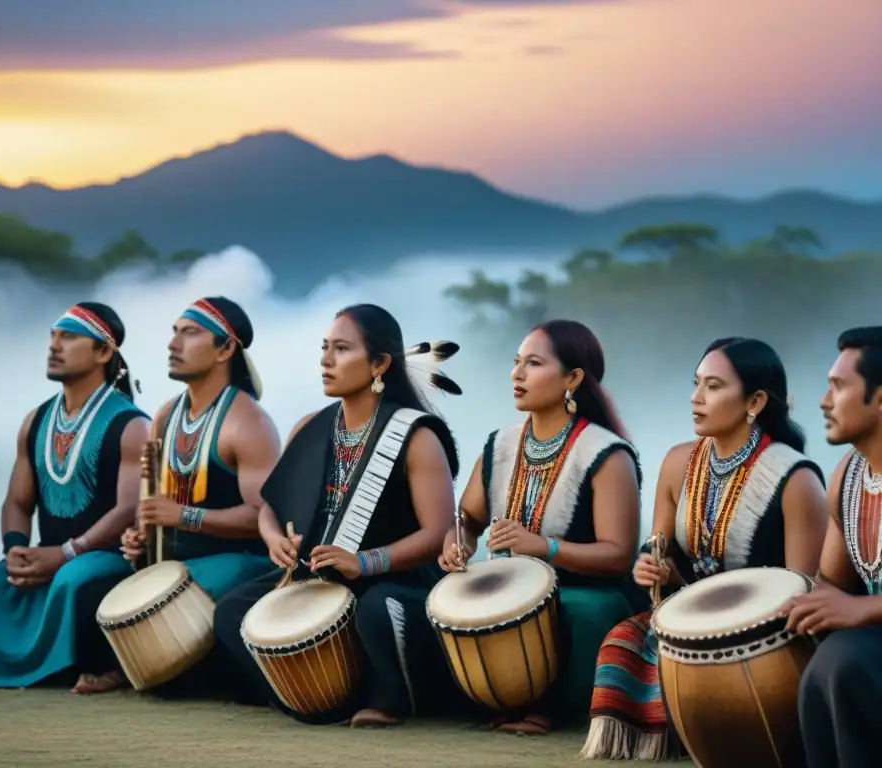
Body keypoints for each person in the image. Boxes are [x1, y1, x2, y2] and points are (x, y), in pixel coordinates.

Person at [212, 304, 463, 728]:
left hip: (395, 582)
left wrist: (365, 561)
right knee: (234, 609)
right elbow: (270, 509)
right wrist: (275, 539)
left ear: (380, 363)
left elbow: (438, 532)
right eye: (324, 347)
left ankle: (391, 699)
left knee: (377, 608)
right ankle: (313, 696)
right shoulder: (310, 427)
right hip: (317, 576)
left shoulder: (416, 437)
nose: (326, 360)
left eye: (342, 349)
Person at [582, 336, 828, 761]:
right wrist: (656, 572)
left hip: (766, 636)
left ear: (754, 401)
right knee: (623, 640)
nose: (696, 398)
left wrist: (731, 620)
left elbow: (806, 587)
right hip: (687, 616)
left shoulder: (795, 477)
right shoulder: (679, 462)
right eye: (696, 384)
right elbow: (661, 552)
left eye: (713, 387)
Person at [438, 319, 642, 736]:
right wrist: (456, 544)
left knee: (583, 610)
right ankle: (497, 698)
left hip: (582, 589)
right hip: (510, 587)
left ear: (573, 378)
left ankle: (554, 706)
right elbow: (467, 519)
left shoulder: (606, 454)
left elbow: (619, 555)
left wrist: (544, 547)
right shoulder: (501, 444)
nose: (516, 374)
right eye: (516, 362)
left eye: (532, 363)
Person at [0, 302, 151, 693]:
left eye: (69, 336)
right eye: (52, 336)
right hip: (47, 554)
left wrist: (67, 553)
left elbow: (129, 509)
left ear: (104, 353)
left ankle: (79, 667)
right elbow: (17, 503)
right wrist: (16, 550)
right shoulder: (35, 420)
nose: (54, 345)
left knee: (73, 581)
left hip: (104, 557)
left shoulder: (132, 425)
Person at [118, 298, 281, 686]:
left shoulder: (249, 423)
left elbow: (264, 516)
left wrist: (184, 517)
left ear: (226, 348)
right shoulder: (164, 415)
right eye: (174, 332)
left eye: (190, 333)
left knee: (165, 599)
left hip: (243, 562)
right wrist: (141, 535)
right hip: (178, 562)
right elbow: (156, 501)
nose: (173, 344)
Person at [785, 326, 882, 768]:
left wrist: (864, 610)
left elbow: (853, 605)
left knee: (847, 662)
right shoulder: (848, 475)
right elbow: (831, 583)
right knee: (823, 657)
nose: (824, 401)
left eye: (839, 387)